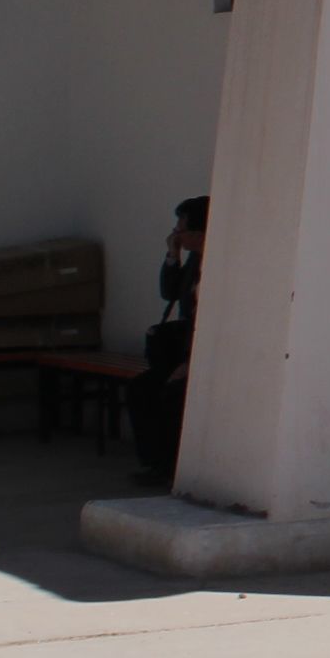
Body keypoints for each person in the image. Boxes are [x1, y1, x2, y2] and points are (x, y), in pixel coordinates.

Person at [128, 195, 208, 482]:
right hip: (185, 347)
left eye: (181, 230)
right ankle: (156, 463)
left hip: (202, 353)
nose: (176, 235)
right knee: (142, 388)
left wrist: (189, 362)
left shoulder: (221, 264)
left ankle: (175, 465)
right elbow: (170, 292)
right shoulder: (195, 260)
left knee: (173, 395)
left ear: (200, 233)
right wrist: (173, 255)